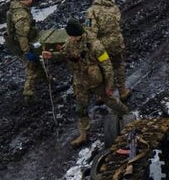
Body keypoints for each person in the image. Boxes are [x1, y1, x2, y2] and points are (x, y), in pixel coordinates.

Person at [44, 19, 129, 147]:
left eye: (74, 36)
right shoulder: (69, 42)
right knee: (81, 108)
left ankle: (127, 114)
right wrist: (51, 55)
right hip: (80, 80)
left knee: (109, 100)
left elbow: (107, 66)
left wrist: (109, 86)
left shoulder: (95, 45)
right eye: (70, 36)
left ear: (81, 33)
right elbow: (64, 54)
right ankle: (84, 134)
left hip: (96, 80)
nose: (72, 39)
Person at [85, 0, 129, 100]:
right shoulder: (114, 7)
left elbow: (89, 29)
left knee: (103, 67)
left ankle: (104, 94)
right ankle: (123, 91)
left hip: (102, 46)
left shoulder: (91, 11)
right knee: (119, 65)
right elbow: (118, 21)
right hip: (116, 41)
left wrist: (90, 45)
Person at [7, 0, 45, 99]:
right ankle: (28, 93)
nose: (32, 0)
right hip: (22, 44)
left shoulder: (17, 8)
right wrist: (27, 51)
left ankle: (48, 80)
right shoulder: (22, 14)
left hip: (23, 41)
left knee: (37, 61)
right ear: (25, 0)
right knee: (31, 66)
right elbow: (22, 36)